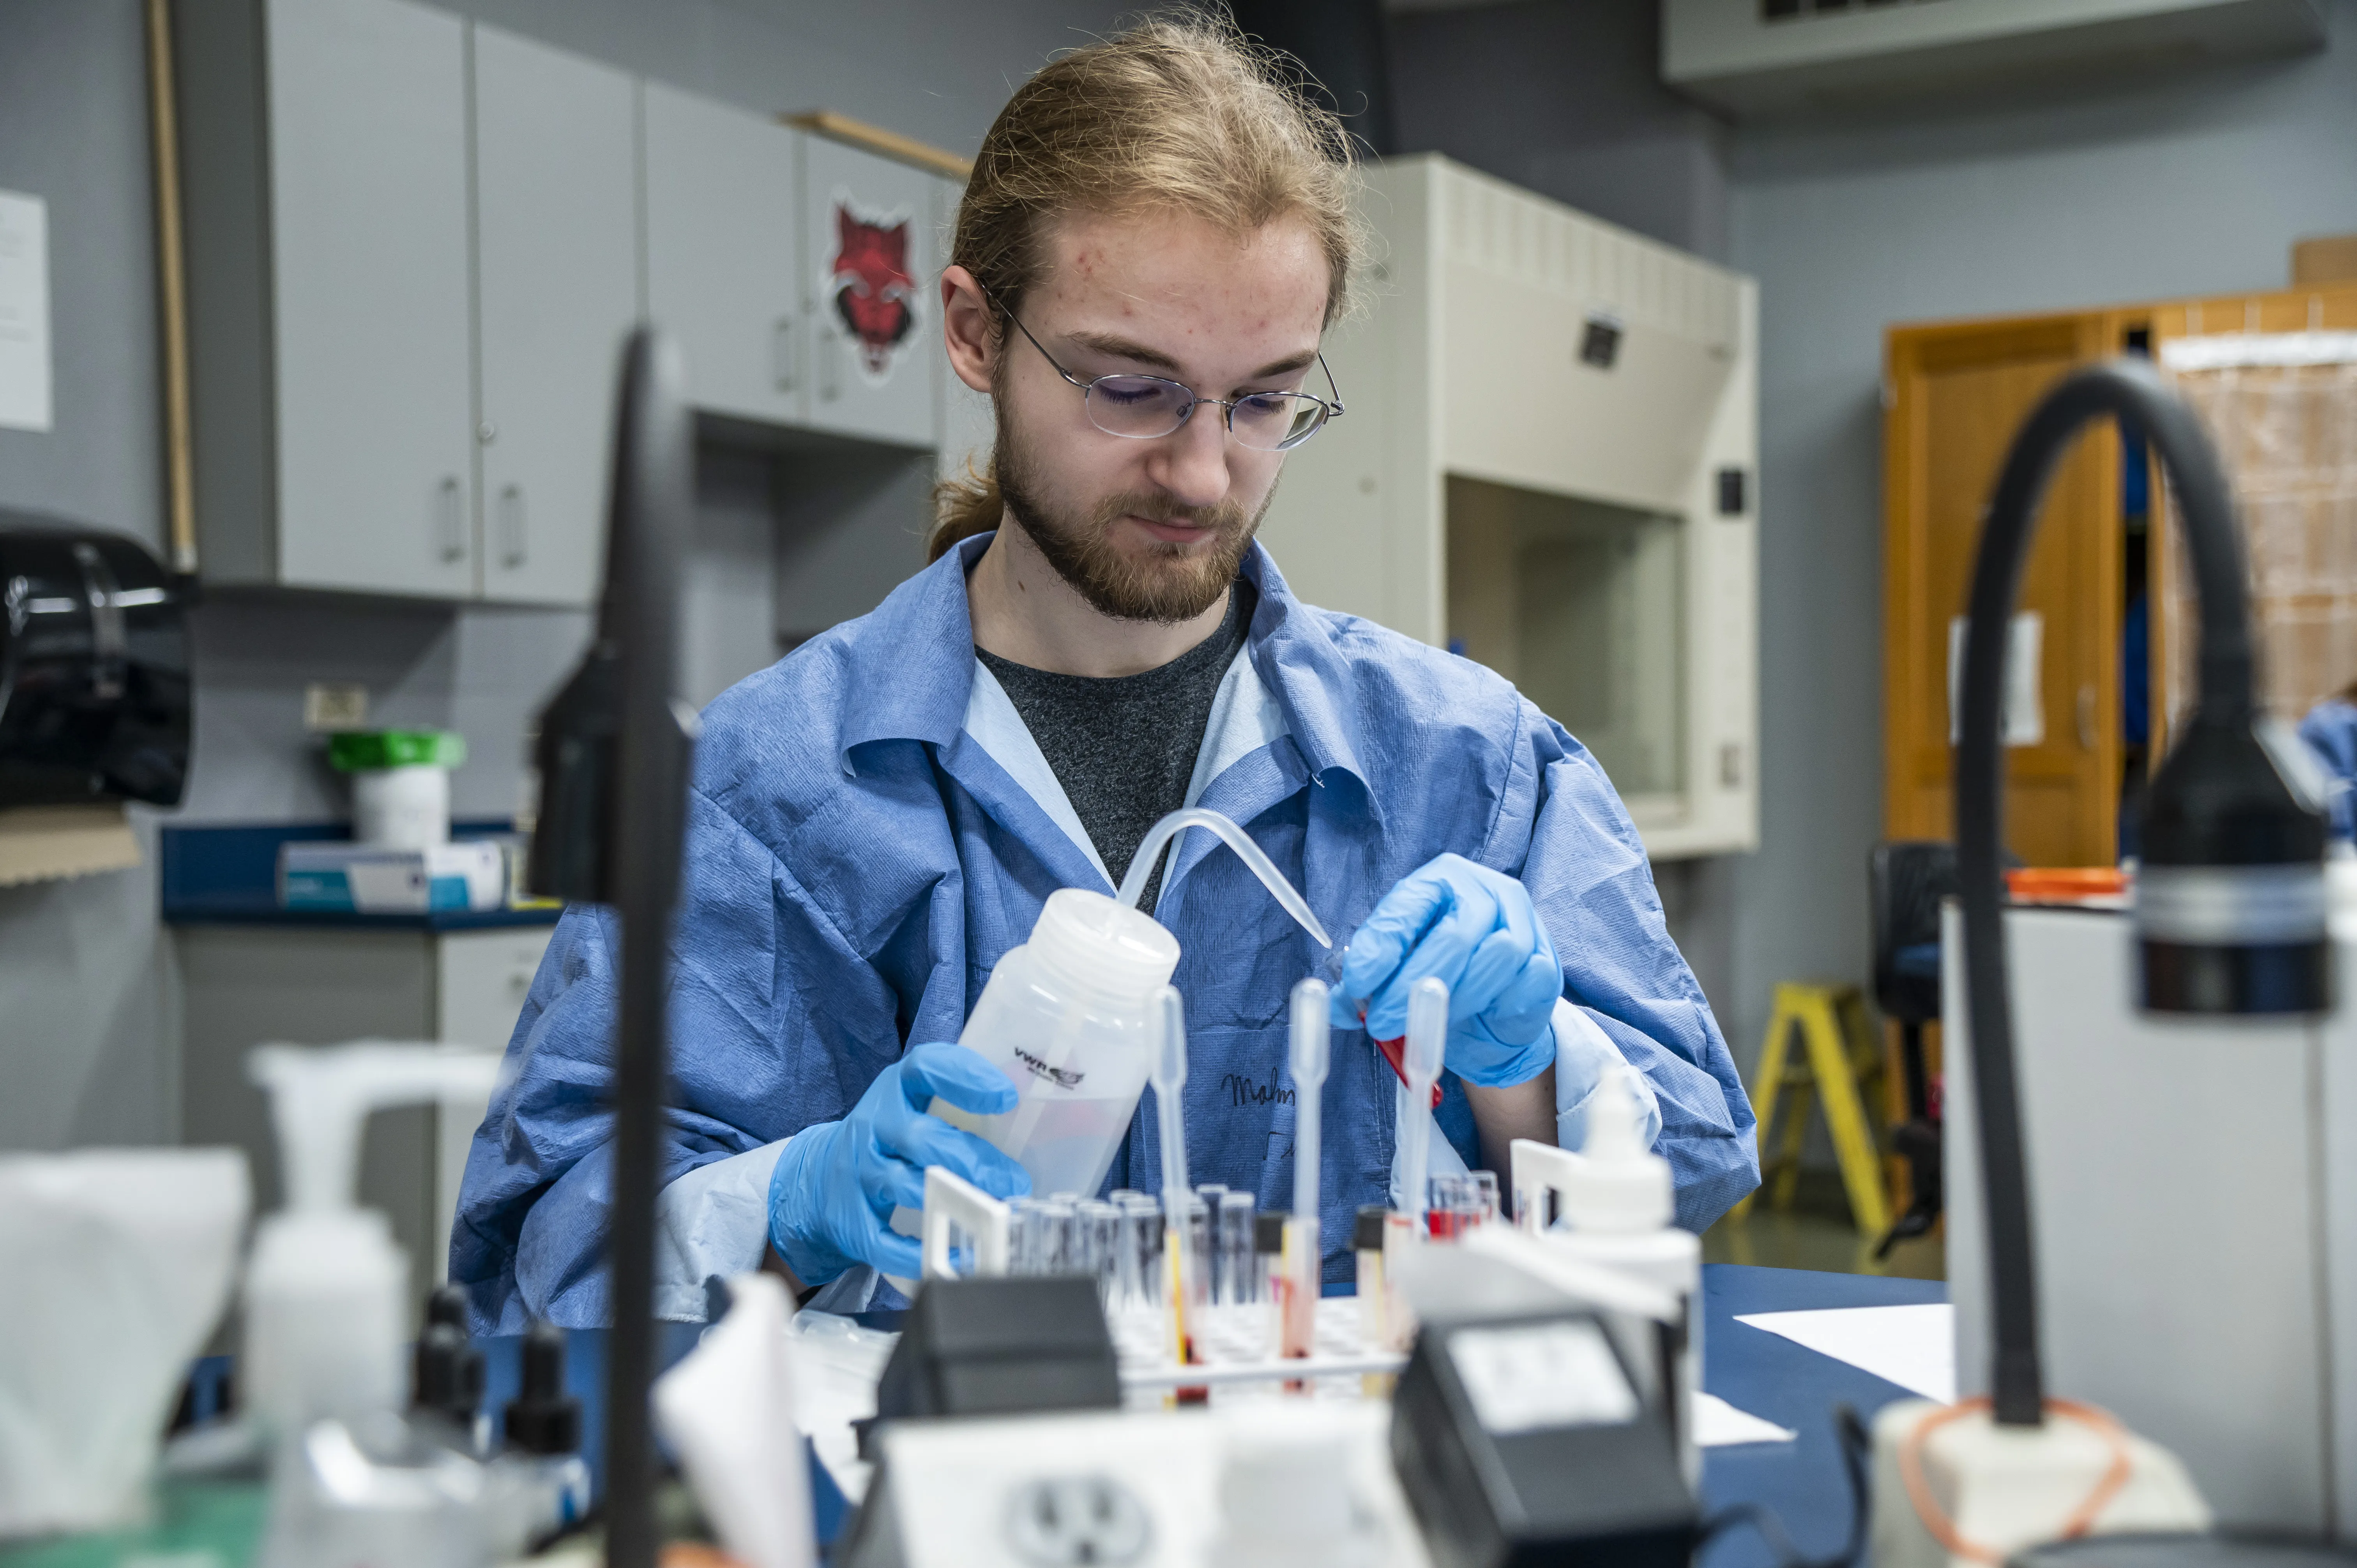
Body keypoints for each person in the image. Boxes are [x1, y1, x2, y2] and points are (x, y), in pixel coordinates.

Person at [451, 15, 1758, 1330]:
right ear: (973, 333)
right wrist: (790, 1200)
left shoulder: (1466, 766)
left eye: (1262, 402)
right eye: (1130, 388)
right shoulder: (756, 794)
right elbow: (541, 1252)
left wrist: (1524, 1071)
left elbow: (1695, 1161)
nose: (1201, 474)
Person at [2298, 683, 2357, 840]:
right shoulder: (2345, 719)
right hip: (2336, 787)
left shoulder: (2324, 712)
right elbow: (2348, 760)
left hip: (2316, 779)